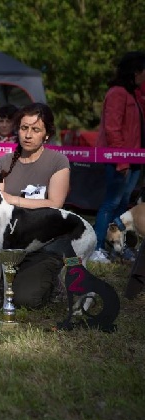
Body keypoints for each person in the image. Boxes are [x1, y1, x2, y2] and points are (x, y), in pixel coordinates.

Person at [0, 103, 70, 308]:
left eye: (35, 130)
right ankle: (8, 279)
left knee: (26, 300)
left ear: (47, 134)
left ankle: (52, 283)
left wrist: (13, 199)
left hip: (43, 241)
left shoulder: (58, 161)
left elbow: (55, 204)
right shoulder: (4, 162)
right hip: (8, 237)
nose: (28, 134)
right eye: (24, 128)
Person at [88, 51, 145, 264]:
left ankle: (118, 247)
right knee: (110, 204)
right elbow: (113, 129)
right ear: (136, 71)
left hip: (135, 158)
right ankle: (96, 248)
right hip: (120, 159)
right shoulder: (117, 93)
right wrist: (122, 160)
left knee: (122, 207)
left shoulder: (134, 95)